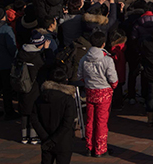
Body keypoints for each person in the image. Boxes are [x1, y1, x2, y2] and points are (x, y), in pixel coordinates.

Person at [77, 30, 118, 158]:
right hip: (104, 92)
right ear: (103, 44)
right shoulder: (107, 59)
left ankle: (89, 147)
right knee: (101, 121)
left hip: (90, 91)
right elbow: (113, 79)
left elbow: (80, 76)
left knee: (90, 120)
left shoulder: (84, 58)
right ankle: (100, 148)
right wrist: (112, 86)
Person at [33, 65, 78, 164]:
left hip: (46, 139)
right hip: (63, 140)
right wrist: (53, 140)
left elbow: (35, 119)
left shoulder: (40, 97)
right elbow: (67, 122)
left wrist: (45, 137)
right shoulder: (67, 99)